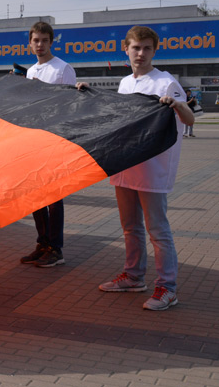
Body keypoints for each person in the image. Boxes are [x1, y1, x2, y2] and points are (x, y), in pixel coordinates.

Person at [79, 26, 193, 311]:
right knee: (130, 227)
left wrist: (176, 105)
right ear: (126, 50)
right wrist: (90, 95)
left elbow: (190, 120)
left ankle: (168, 288)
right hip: (125, 165)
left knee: (158, 230)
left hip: (153, 169)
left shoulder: (165, 82)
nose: (141, 53)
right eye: (136, 48)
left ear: (155, 50)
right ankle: (133, 276)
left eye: (146, 48)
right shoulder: (124, 83)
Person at [20, 21, 77, 268]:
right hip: (34, 140)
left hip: (55, 139)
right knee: (35, 195)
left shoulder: (63, 69)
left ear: (51, 42)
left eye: (44, 40)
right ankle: (42, 243)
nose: (40, 45)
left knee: (54, 196)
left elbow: (71, 105)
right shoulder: (30, 72)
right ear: (30, 43)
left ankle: (56, 248)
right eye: (36, 40)